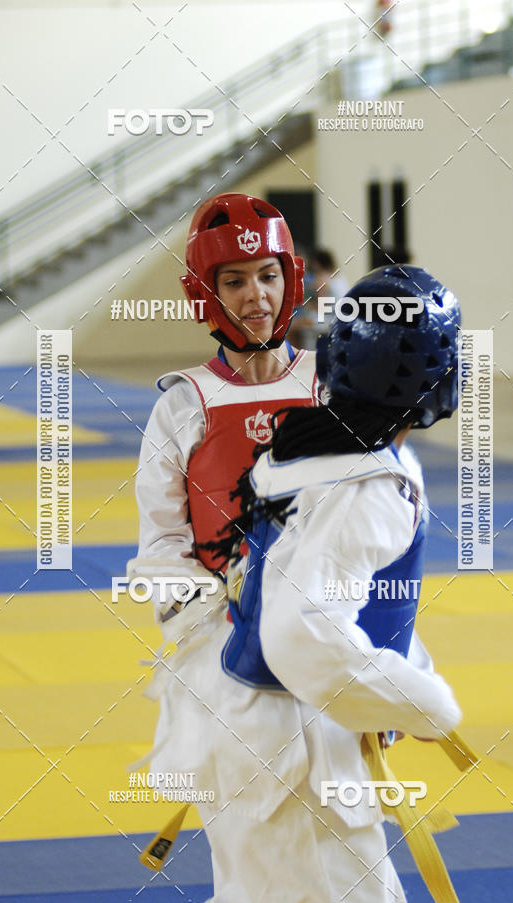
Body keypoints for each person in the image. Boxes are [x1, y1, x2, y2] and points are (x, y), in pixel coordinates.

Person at [147, 264, 464, 902]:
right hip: (290, 746)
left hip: (240, 716)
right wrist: (425, 703)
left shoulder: (304, 448)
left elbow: (337, 596)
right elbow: (300, 633)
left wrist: (389, 683)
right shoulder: (370, 484)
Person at [128, 192, 318, 627]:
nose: (257, 295)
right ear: (204, 295)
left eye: (269, 276)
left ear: (292, 280)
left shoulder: (330, 386)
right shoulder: (183, 404)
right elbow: (162, 540)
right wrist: (211, 611)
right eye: (234, 282)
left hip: (323, 626)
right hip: (221, 636)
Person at [288, 248, 350, 350]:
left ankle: (293, 360)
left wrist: (306, 304)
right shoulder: (340, 277)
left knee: (291, 327)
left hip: (327, 320)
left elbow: (320, 308)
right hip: (340, 318)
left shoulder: (322, 279)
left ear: (317, 263)